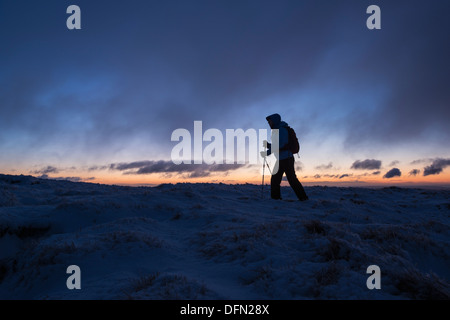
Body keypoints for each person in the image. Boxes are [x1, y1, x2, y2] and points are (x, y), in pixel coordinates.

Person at [260, 113, 309, 201]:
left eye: (270, 121)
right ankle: (276, 199)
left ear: (274, 121)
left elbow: (279, 145)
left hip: (286, 158)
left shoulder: (281, 130)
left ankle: (303, 198)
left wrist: (267, 153)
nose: (269, 124)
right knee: (277, 179)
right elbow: (278, 145)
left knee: (290, 179)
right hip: (281, 159)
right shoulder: (277, 130)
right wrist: (268, 145)